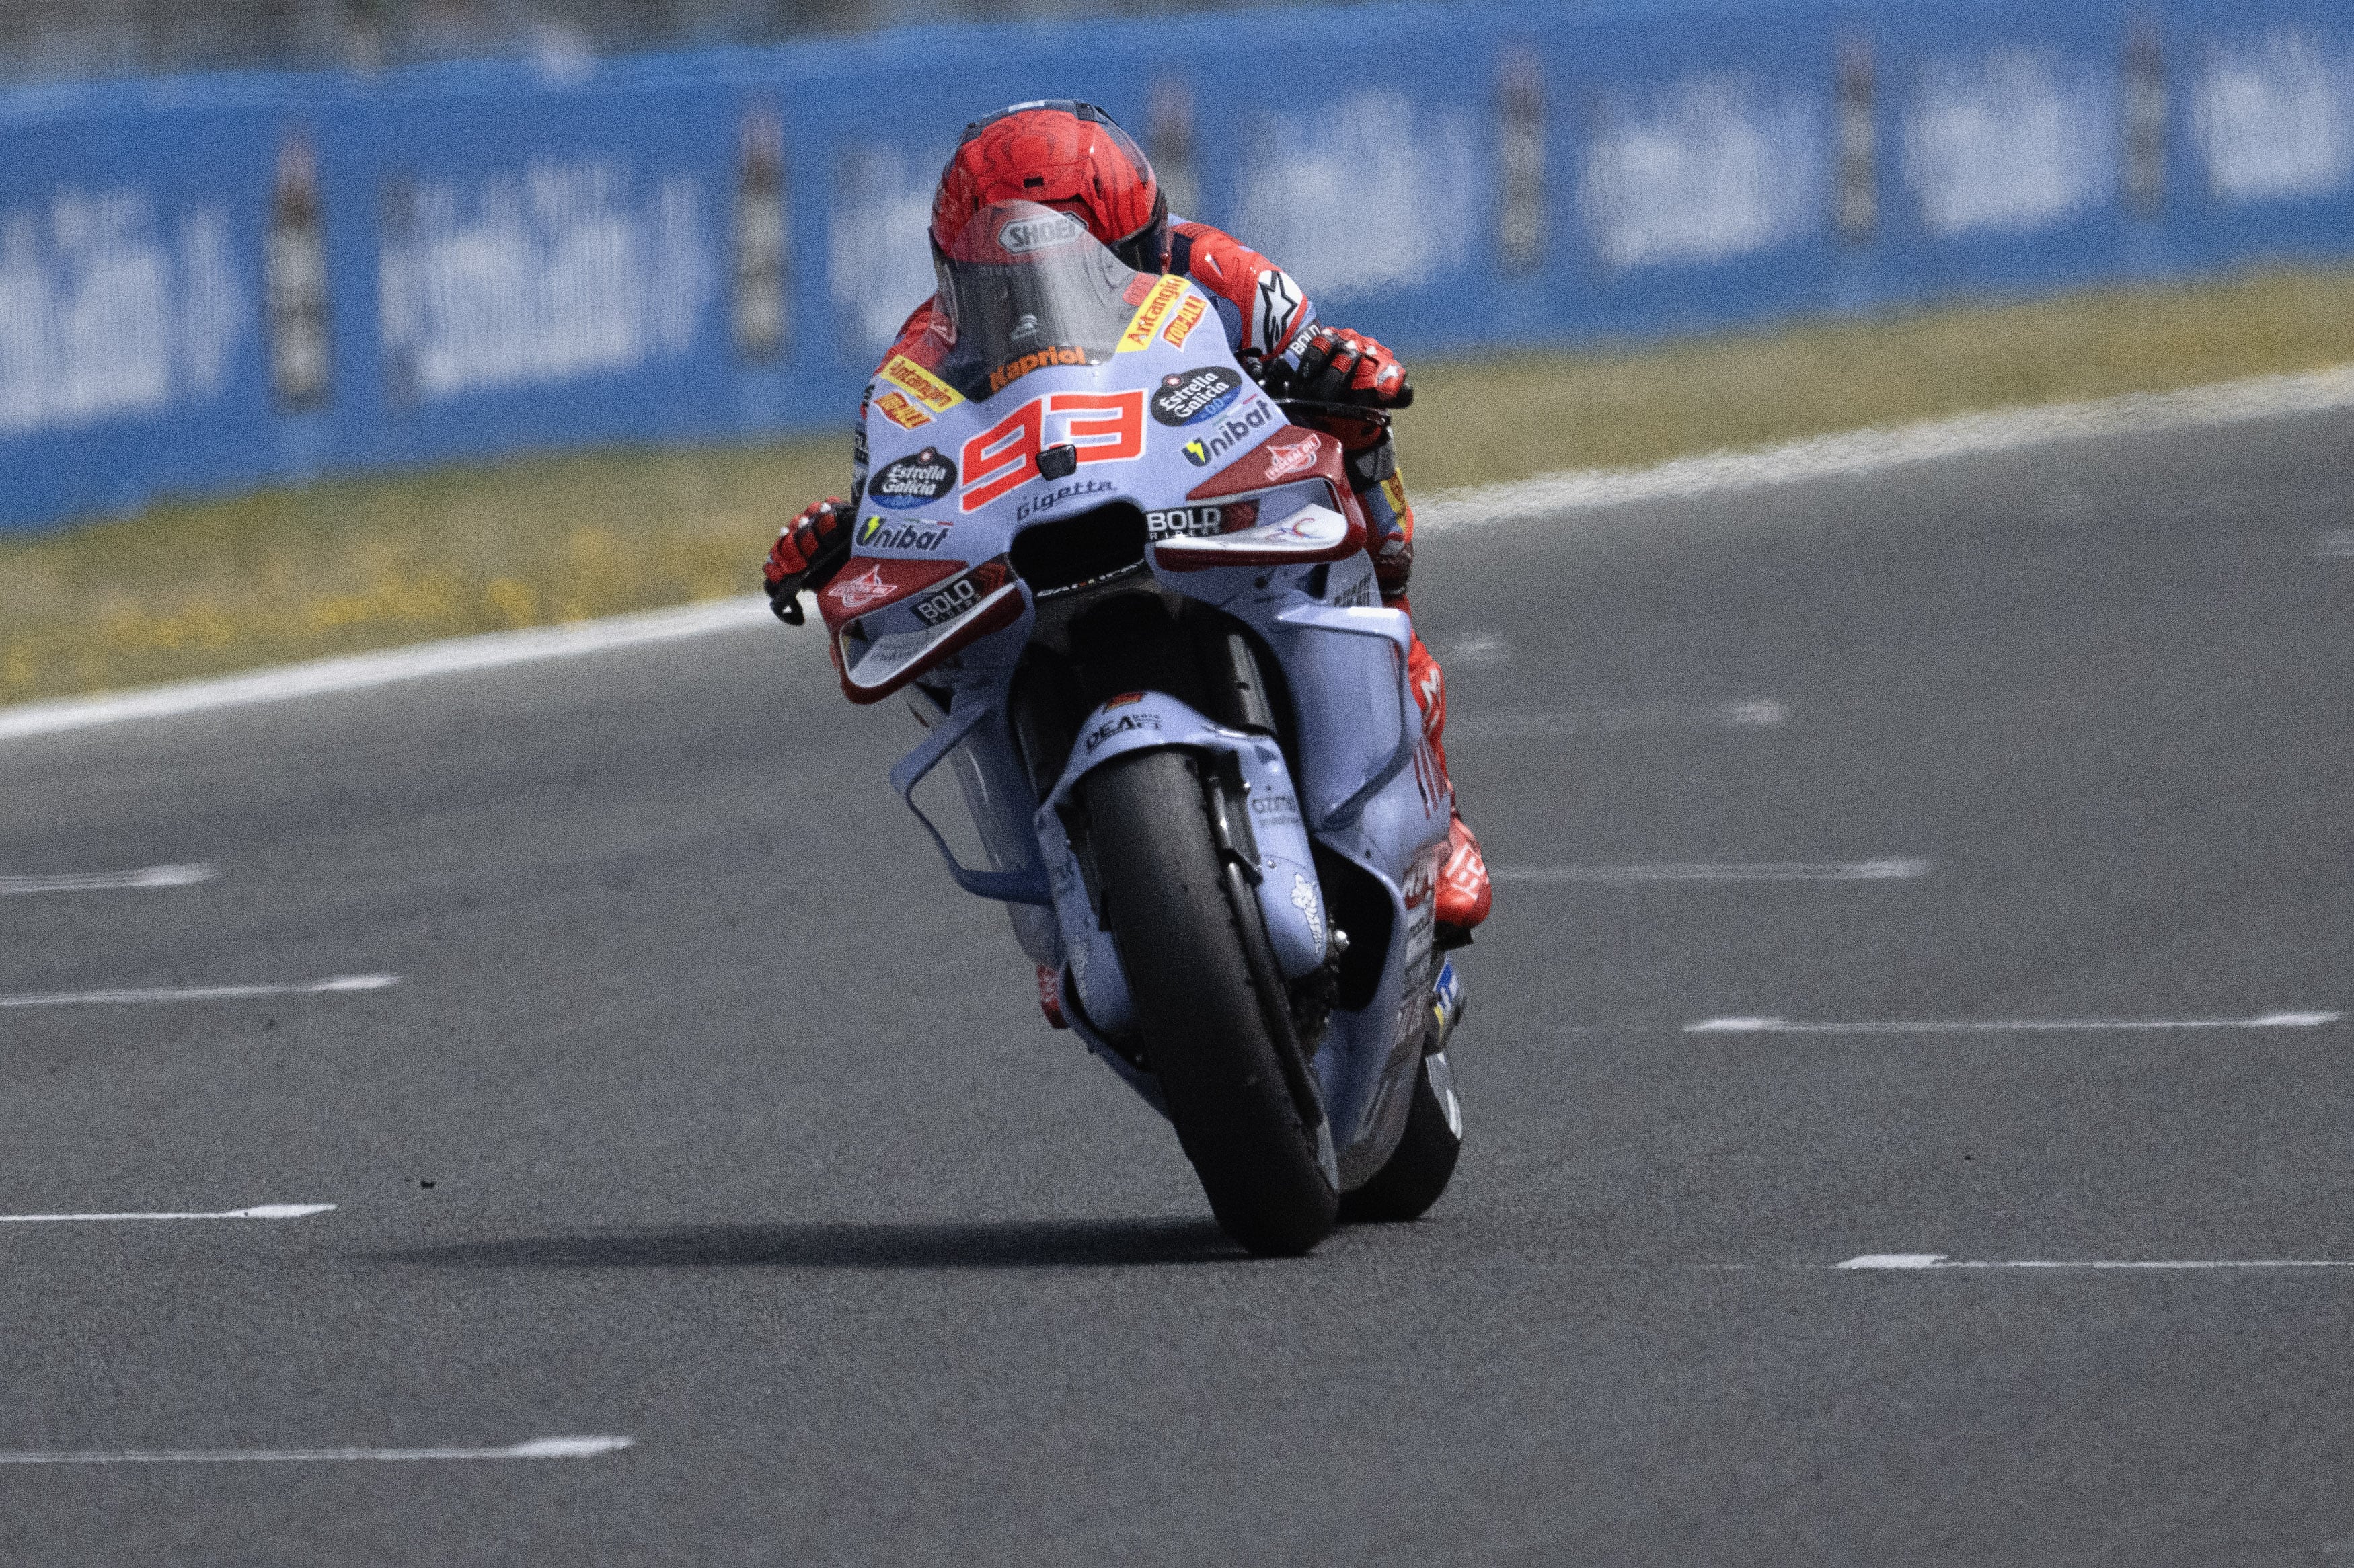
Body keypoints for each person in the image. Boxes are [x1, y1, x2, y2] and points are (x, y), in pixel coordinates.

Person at [764, 100, 1491, 941]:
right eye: (1006, 285)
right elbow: (897, 491)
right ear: (960, 276)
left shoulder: (1226, 275)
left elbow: (1313, 359)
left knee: (1360, 473)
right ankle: (1049, 910)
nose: (1043, 297)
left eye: (1093, 264)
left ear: (1140, 240)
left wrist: (1344, 378)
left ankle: (1438, 810)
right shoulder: (916, 359)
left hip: (1204, 500)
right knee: (931, 655)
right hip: (1033, 540)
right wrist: (849, 534)